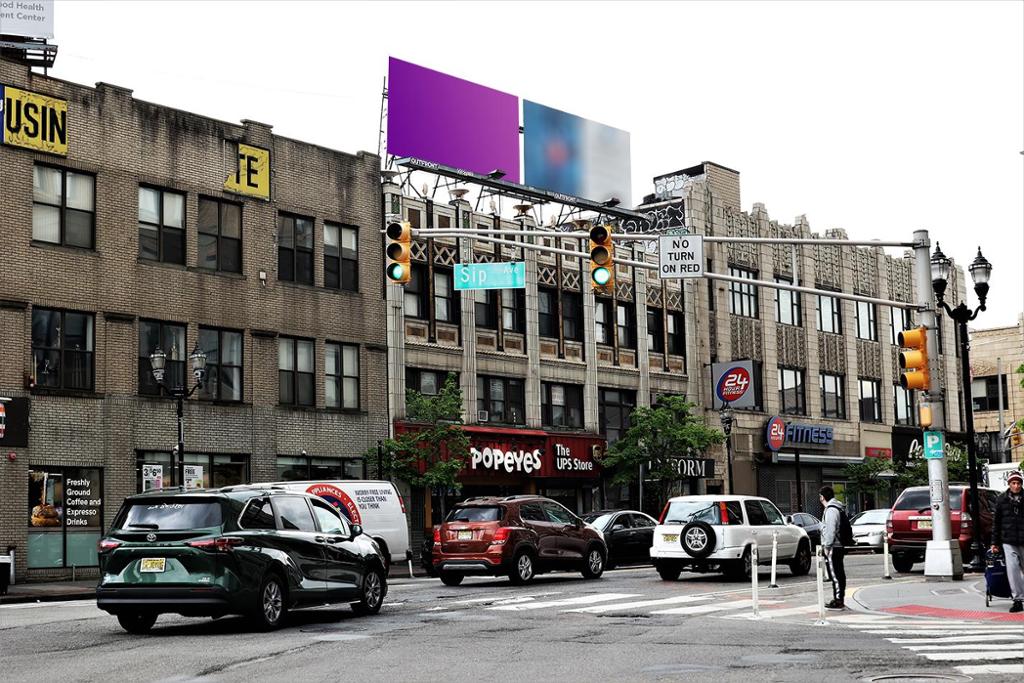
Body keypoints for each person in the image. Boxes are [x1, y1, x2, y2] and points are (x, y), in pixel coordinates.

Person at [991, 469, 1024, 613]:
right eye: (1013, 483)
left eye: (1018, 483)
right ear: (1009, 484)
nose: (1016, 486)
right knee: (1013, 569)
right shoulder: (1001, 499)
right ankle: (1018, 600)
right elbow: (996, 522)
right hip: (1008, 540)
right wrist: (994, 543)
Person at [819, 486, 846, 610]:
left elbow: (830, 529)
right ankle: (839, 598)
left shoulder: (830, 510)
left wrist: (827, 545)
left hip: (833, 546)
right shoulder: (838, 508)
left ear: (822, 497)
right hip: (838, 545)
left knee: (835, 575)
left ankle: (838, 600)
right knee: (839, 573)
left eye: (820, 496)